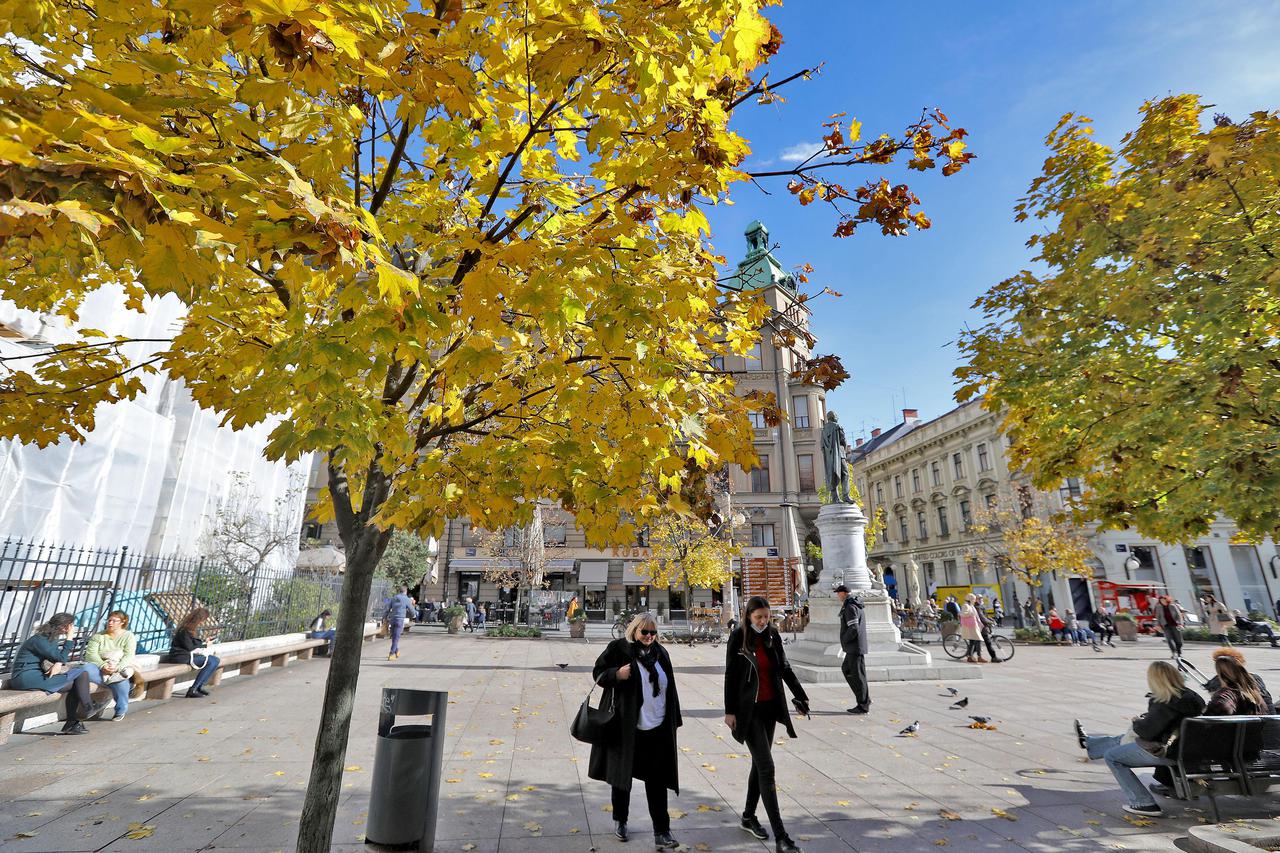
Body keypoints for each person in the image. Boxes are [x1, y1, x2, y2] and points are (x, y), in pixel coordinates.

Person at [589, 612, 683, 851]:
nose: (649, 637)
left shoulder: (661, 653)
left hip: (658, 727)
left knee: (657, 780)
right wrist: (616, 675)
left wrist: (674, 720)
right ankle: (620, 820)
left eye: (653, 633)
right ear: (635, 630)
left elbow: (669, 688)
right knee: (622, 778)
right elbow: (598, 673)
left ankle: (662, 830)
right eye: (645, 632)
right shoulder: (619, 649)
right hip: (626, 726)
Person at [724, 596, 809, 853]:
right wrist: (730, 711)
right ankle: (781, 836)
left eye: (766, 616)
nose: (763, 621)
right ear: (748, 616)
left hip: (770, 707)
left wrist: (800, 694)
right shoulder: (738, 637)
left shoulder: (772, 635)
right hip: (748, 711)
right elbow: (731, 674)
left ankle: (748, 816)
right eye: (758, 617)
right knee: (767, 767)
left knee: (759, 764)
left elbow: (784, 667)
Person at [1074, 661, 1204, 817]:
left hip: (1169, 752)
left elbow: (1147, 733)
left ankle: (1143, 803)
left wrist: (1137, 722)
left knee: (1113, 756)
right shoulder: (1193, 697)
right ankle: (1089, 743)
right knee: (1124, 741)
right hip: (1193, 750)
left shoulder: (1164, 700)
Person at [8, 613, 105, 734]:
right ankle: (85, 710)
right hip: (26, 677)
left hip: (34, 675)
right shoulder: (40, 639)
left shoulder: (50, 638)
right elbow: (61, 657)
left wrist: (58, 663)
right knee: (81, 674)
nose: (71, 629)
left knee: (78, 679)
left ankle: (74, 721)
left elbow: (58, 659)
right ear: (64, 627)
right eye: (70, 626)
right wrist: (69, 638)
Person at [85, 610, 144, 721]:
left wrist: (117, 667)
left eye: (114, 621)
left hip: (118, 666)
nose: (110, 623)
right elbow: (90, 654)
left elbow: (129, 655)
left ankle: (120, 710)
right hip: (100, 666)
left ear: (123, 622)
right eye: (109, 620)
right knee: (85, 670)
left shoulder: (128, 636)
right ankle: (122, 688)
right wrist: (102, 665)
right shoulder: (98, 636)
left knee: (120, 681)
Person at [164, 608, 222, 698]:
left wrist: (204, 642)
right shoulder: (185, 630)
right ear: (199, 619)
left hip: (186, 656)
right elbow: (189, 647)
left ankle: (199, 686)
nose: (203, 622)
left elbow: (192, 643)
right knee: (211, 661)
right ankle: (193, 689)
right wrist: (205, 645)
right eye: (203, 620)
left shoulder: (190, 629)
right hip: (180, 657)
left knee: (215, 660)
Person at [835, 585, 870, 713]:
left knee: (858, 675)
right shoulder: (854, 604)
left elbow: (853, 627)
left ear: (844, 593)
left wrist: (844, 639)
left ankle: (863, 704)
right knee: (848, 669)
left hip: (854, 647)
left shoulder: (850, 606)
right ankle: (864, 699)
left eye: (838, 593)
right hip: (855, 646)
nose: (837, 596)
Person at [383, 586, 415, 659]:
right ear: (405, 591)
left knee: (394, 637)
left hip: (392, 619)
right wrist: (413, 615)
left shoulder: (393, 598)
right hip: (400, 620)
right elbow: (411, 610)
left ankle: (396, 651)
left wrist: (384, 617)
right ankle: (391, 654)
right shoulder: (406, 599)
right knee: (396, 637)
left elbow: (387, 609)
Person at [959, 594, 985, 663]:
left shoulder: (971, 605)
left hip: (973, 625)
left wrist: (979, 622)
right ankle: (979, 657)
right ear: (970, 599)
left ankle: (970, 656)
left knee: (972, 641)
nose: (974, 600)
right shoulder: (966, 605)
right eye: (973, 599)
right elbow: (963, 614)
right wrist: (971, 613)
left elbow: (976, 615)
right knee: (978, 639)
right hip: (970, 626)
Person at [976, 596, 1002, 663]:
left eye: (981, 598)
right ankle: (994, 657)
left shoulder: (981, 606)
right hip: (982, 627)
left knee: (976, 642)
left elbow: (986, 616)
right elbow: (982, 618)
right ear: (976, 600)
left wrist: (992, 620)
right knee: (988, 642)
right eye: (979, 598)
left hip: (983, 626)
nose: (981, 599)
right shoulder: (978, 607)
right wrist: (990, 622)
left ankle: (970, 654)